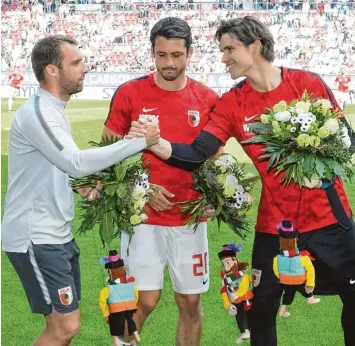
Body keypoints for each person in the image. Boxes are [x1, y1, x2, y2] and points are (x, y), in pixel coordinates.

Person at [128, 17, 355, 346]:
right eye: (222, 51)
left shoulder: (308, 83)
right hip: (276, 225)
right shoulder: (232, 103)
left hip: (330, 218)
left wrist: (317, 159)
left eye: (230, 49)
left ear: (256, 46)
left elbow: (347, 138)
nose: (224, 58)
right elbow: (197, 153)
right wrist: (157, 143)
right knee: (260, 309)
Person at [1, 35, 159, 346]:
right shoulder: (39, 113)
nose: (84, 68)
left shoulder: (53, 109)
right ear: (52, 70)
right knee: (65, 326)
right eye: (76, 62)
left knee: (61, 324)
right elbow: (74, 161)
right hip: (35, 236)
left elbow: (55, 166)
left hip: (56, 234)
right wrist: (139, 141)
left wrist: (81, 185)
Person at [102, 17, 219, 346]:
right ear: (152, 52)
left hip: (190, 219)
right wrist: (142, 189)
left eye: (177, 55)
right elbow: (105, 156)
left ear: (190, 53)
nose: (169, 63)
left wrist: (214, 196)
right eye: (162, 54)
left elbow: (217, 160)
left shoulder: (207, 98)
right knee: (143, 300)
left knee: (191, 303)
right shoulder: (129, 93)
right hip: (144, 219)